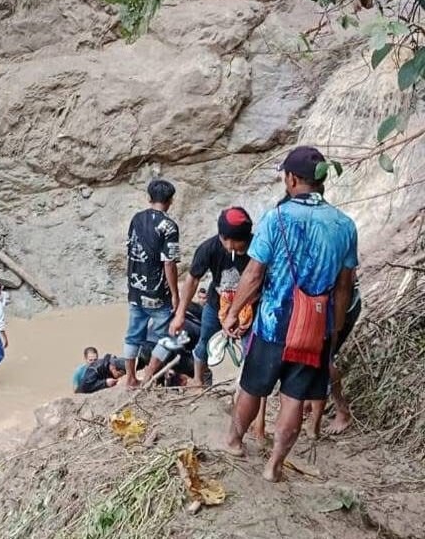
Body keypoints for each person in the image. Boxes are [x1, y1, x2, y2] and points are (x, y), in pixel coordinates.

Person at [222, 146, 358, 482]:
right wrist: (334, 329)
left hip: (273, 324)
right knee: (294, 399)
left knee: (252, 388)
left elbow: (253, 275)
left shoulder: (276, 218)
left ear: (293, 179)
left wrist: (233, 313)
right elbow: (344, 287)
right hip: (315, 329)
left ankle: (234, 443)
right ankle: (274, 467)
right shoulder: (344, 225)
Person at [170, 207, 255, 388]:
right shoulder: (209, 248)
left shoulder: (257, 249)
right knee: (204, 343)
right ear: (225, 239)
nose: (234, 247)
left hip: (250, 307)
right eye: (229, 241)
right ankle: (198, 380)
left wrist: (244, 316)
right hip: (216, 304)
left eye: (242, 242)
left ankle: (246, 388)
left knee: (252, 350)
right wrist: (180, 314)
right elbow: (192, 280)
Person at [123, 178, 181, 388]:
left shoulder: (136, 219)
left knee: (133, 335)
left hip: (136, 290)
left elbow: (131, 251)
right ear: (170, 200)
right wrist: (175, 294)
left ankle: (130, 378)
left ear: (149, 198)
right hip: (158, 294)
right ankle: (148, 375)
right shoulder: (169, 226)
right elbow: (169, 263)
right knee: (167, 337)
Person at [306, 273, 361, 437]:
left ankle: (342, 411)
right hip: (323, 306)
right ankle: (310, 401)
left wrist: (336, 324)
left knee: (323, 360)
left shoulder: (338, 249)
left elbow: (345, 283)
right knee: (314, 357)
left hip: (340, 308)